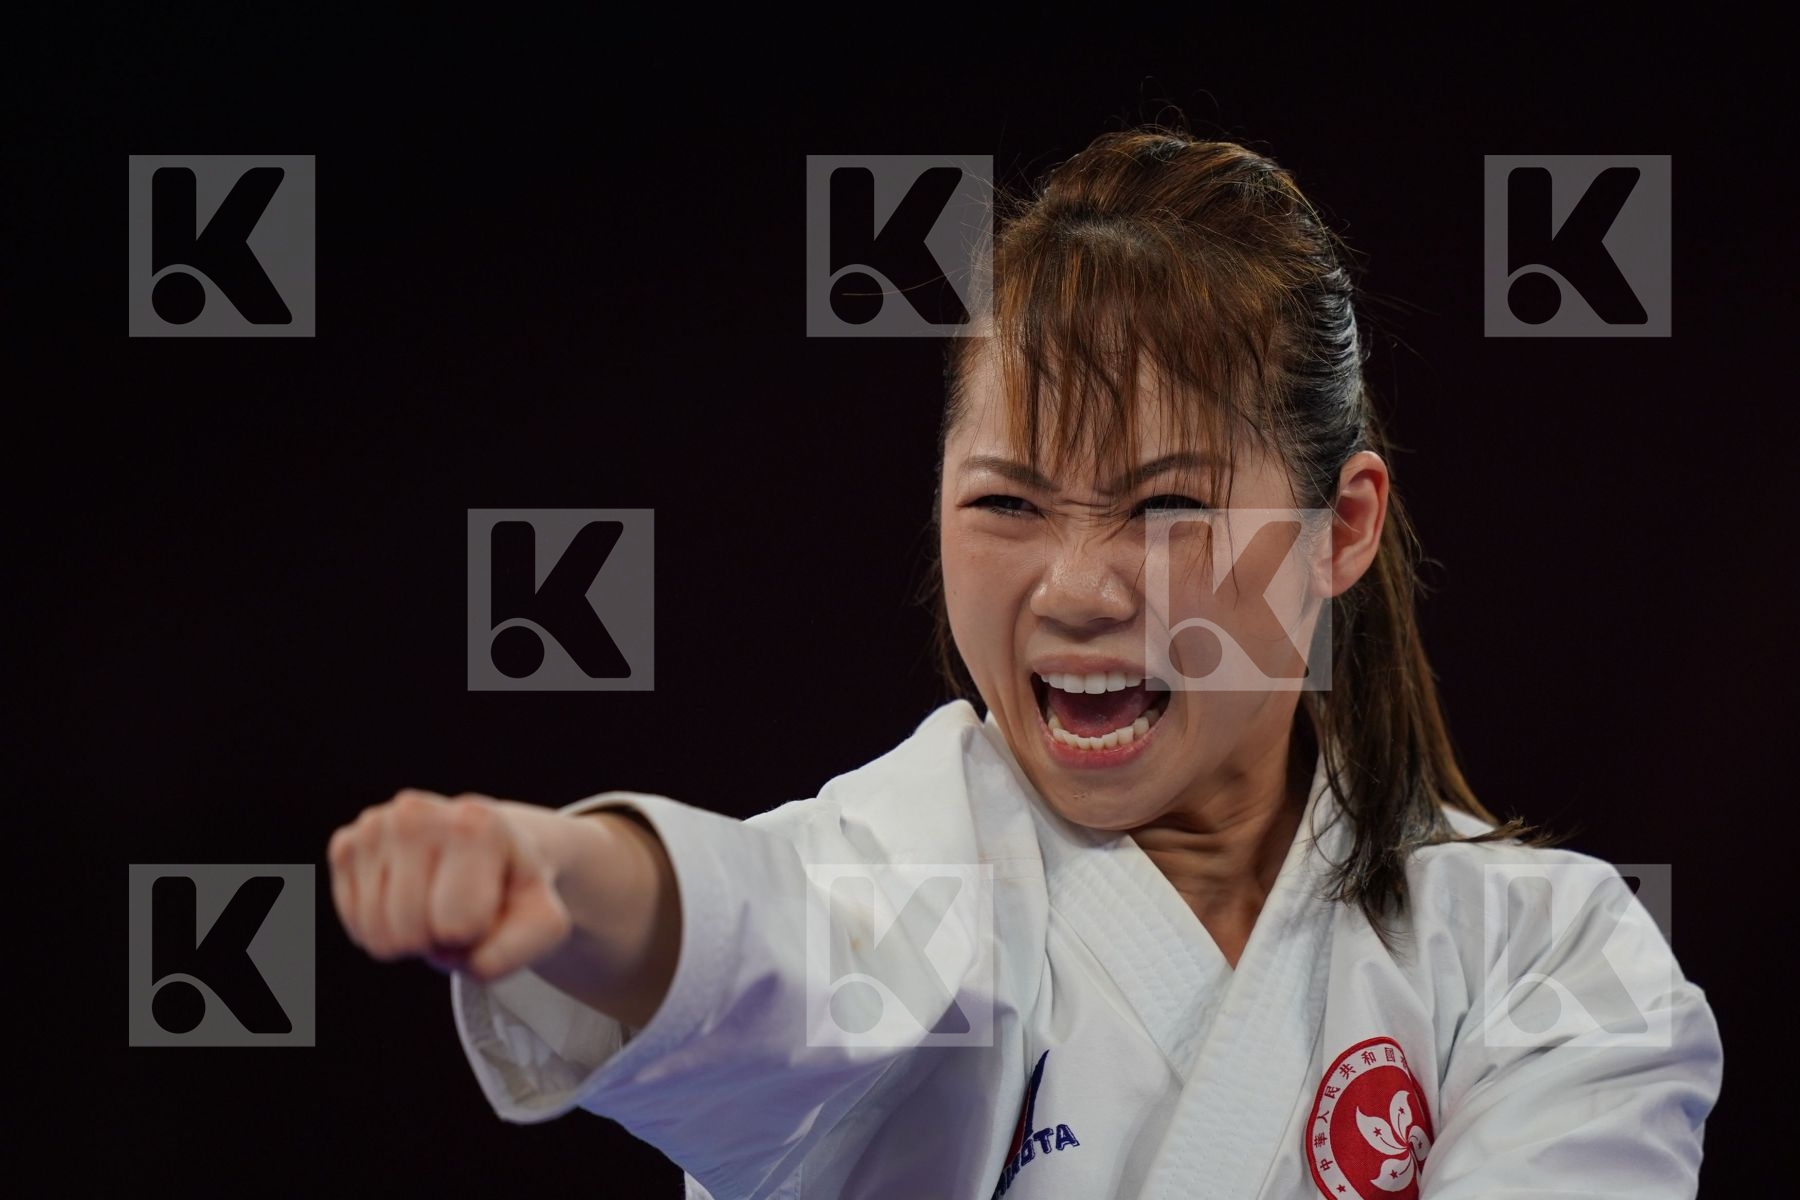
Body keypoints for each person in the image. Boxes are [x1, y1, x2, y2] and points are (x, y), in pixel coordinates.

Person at [327, 127, 1723, 1199]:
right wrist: (564, 883)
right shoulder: (918, 861)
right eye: (1007, 503)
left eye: (1168, 509)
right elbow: (765, 937)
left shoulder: (1552, 959)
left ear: (1339, 526)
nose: (1073, 590)